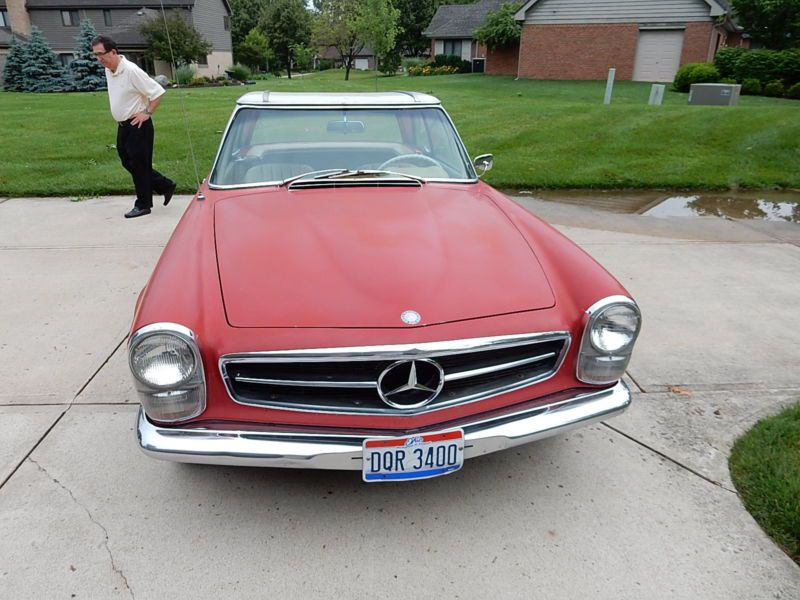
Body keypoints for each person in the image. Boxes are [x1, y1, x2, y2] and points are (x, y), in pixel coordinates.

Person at [91, 35, 176, 218]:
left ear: (113, 52)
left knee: (139, 164)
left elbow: (157, 92)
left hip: (138, 125)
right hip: (123, 125)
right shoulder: (109, 69)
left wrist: (147, 112)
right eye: (96, 55)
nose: (99, 58)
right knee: (127, 161)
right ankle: (164, 185)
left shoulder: (131, 70)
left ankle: (143, 204)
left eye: (101, 54)